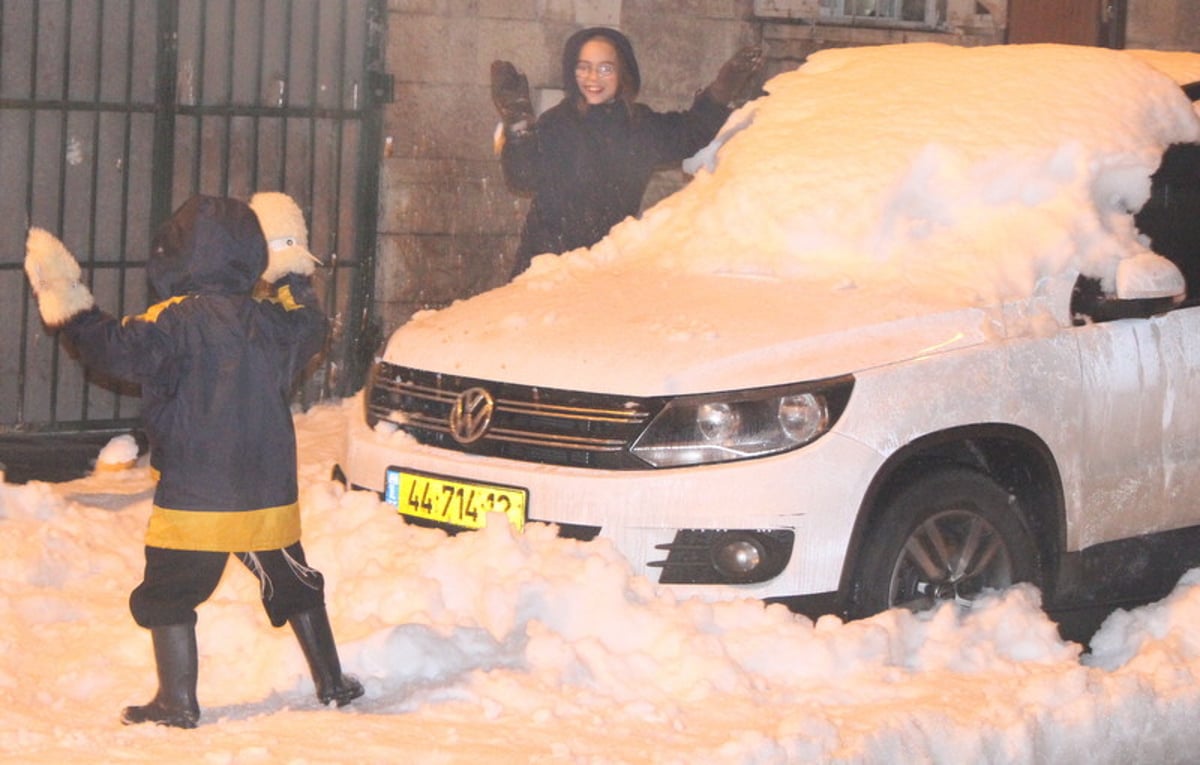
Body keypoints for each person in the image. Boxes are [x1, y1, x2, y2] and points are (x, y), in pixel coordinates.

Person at [22, 192, 363, 729]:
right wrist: (292, 271)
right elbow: (312, 327)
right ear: (252, 254)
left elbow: (111, 348)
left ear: (172, 255)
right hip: (265, 495)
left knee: (170, 594)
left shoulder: (169, 323)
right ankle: (333, 682)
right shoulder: (270, 322)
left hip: (195, 502)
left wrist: (69, 302)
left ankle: (177, 701)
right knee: (296, 583)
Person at [491, 27, 763, 277]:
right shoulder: (556, 123)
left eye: (605, 68)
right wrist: (518, 120)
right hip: (545, 268)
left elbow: (690, 133)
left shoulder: (640, 126)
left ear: (622, 74)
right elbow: (523, 177)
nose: (592, 77)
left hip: (607, 268)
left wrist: (722, 90)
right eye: (583, 67)